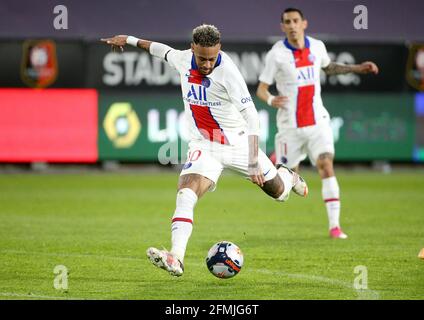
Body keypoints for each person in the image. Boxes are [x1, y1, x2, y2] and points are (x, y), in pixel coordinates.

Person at [101, 24, 308, 277]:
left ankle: (289, 176)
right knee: (186, 193)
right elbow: (159, 49)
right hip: (204, 145)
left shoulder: (229, 73)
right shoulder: (182, 59)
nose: (207, 64)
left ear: (219, 50)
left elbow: (253, 117)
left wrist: (254, 161)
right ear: (192, 49)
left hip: (239, 144)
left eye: (212, 58)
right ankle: (176, 257)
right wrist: (129, 39)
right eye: (202, 58)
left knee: (280, 193)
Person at [256, 8, 379, 239]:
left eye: (295, 21)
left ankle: (335, 227)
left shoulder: (317, 47)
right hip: (289, 127)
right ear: (282, 27)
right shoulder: (277, 54)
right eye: (287, 22)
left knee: (326, 164)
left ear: (304, 23)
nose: (292, 25)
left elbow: (329, 68)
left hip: (318, 122)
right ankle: (290, 175)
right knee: (281, 192)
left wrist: (357, 68)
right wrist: (272, 99)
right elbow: (261, 89)